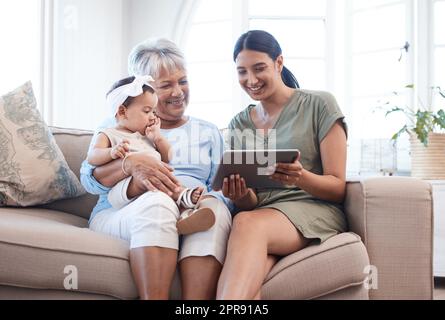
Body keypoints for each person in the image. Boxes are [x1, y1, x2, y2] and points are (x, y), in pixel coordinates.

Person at [80, 38, 232, 300]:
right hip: (124, 210)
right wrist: (128, 164)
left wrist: (201, 199)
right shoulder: (118, 124)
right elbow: (89, 179)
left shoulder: (207, 131)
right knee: (157, 203)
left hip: (189, 206)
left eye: (183, 81)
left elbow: (221, 189)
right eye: (166, 85)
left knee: (214, 209)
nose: (178, 92)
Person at [216, 30, 348, 300]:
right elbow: (252, 202)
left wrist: (301, 177)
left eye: (259, 68)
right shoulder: (239, 123)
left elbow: (338, 188)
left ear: (279, 63)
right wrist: (241, 195)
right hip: (263, 217)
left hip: (312, 209)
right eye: (242, 72)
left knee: (247, 224)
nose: (250, 80)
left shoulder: (319, 104)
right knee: (251, 282)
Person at [87, 75, 215, 235]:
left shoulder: (147, 137)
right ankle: (184, 198)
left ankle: (184, 216)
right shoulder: (108, 133)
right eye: (147, 111)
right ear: (122, 111)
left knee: (165, 182)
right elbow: (93, 156)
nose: (153, 116)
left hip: (152, 189)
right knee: (163, 183)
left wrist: (158, 138)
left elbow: (168, 157)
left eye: (154, 111)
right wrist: (111, 152)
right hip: (123, 190)